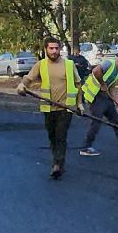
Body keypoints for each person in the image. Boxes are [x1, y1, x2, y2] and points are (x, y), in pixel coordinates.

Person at [16, 38, 81, 179]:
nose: (54, 51)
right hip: (48, 108)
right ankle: (56, 162)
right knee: (52, 136)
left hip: (66, 108)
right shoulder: (41, 65)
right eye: (51, 48)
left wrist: (80, 104)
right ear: (46, 49)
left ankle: (58, 165)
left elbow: (78, 84)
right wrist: (22, 86)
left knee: (60, 136)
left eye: (56, 48)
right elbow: (28, 78)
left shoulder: (69, 65)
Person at [78, 49, 118, 156]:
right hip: (95, 96)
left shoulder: (117, 72)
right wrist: (102, 84)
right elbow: (96, 71)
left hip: (105, 97)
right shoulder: (109, 63)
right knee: (96, 121)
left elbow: (111, 89)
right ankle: (85, 147)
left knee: (116, 120)